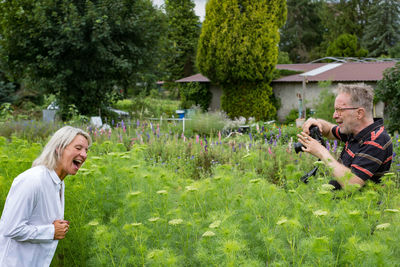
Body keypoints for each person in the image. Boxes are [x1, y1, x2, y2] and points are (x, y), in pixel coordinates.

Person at [0, 126, 91, 267]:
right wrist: (51, 231)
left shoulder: (59, 183)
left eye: (86, 150)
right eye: (78, 148)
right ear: (59, 148)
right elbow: (10, 228)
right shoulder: (33, 180)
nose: (84, 155)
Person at [297, 83, 393, 190]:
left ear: (359, 113)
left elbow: (352, 184)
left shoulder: (376, 140)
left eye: (340, 110)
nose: (334, 115)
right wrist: (316, 123)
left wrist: (321, 152)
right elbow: (329, 130)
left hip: (360, 205)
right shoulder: (354, 131)